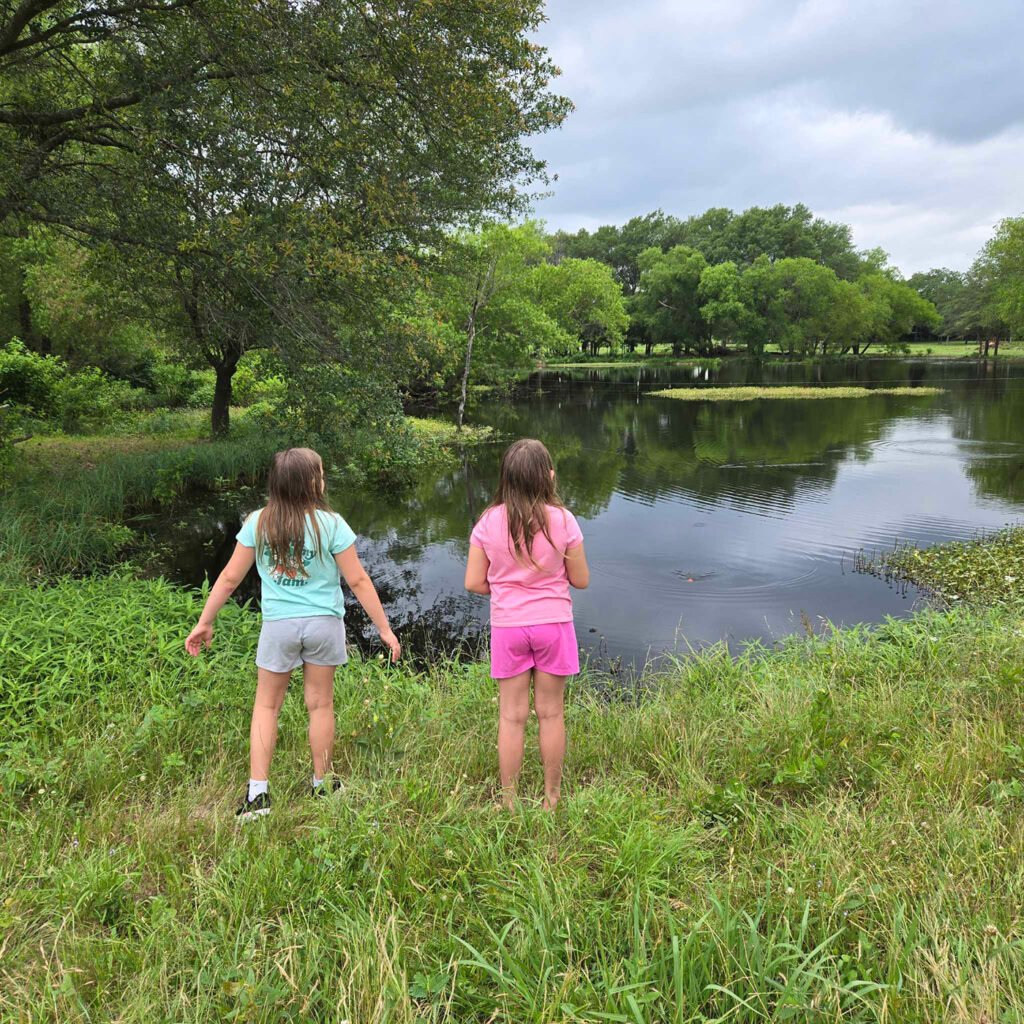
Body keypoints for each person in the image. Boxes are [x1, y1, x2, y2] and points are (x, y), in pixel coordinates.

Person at [185, 447, 400, 820]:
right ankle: (322, 784)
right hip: (323, 624)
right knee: (320, 704)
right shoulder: (331, 524)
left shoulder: (258, 521)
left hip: (279, 625)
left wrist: (205, 620)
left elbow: (230, 577)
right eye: (320, 473)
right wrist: (384, 629)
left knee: (267, 706)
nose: (323, 479)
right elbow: (359, 580)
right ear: (311, 482)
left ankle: (258, 796)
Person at [465, 438, 589, 809]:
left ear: (506, 478)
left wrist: (506, 586)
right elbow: (580, 579)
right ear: (548, 476)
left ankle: (508, 800)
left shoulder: (488, 521)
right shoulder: (564, 520)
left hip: (509, 627)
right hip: (554, 625)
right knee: (551, 713)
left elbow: (473, 581)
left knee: (511, 716)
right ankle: (551, 798)